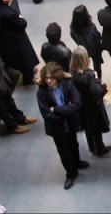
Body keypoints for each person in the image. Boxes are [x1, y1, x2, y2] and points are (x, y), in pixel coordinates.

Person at [37, 62, 88, 190]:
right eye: (46, 78)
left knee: (74, 144)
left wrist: (57, 110)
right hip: (56, 127)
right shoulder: (41, 92)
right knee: (64, 151)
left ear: (58, 77)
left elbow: (76, 104)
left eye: (52, 78)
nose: (49, 81)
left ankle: (77, 162)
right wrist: (65, 113)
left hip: (70, 123)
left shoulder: (68, 84)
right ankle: (71, 174)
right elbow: (46, 114)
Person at [0, 0, 39, 85]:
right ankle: (28, 79)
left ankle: (29, 70)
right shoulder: (9, 14)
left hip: (7, 36)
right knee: (24, 58)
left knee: (21, 58)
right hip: (16, 38)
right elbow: (23, 24)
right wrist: (19, 17)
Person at [69, 46, 111, 157]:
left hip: (80, 104)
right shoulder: (89, 74)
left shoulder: (71, 73)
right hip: (92, 105)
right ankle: (99, 149)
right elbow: (96, 91)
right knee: (96, 128)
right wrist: (97, 79)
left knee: (87, 127)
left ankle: (92, 147)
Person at [70, 5, 103, 80]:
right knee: (97, 65)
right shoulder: (91, 27)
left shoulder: (73, 28)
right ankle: (98, 78)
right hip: (94, 50)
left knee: (83, 63)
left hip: (82, 48)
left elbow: (72, 35)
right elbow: (98, 38)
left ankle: (85, 77)